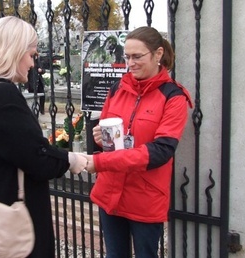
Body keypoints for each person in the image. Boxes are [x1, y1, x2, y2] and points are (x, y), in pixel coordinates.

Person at [0, 16, 88, 258]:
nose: (33, 64)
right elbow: (37, 158)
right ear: (12, 52)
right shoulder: (2, 94)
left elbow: (17, 148)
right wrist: (71, 160)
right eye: (31, 55)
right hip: (16, 213)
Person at [81, 26, 193, 257]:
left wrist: (100, 162)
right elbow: (111, 138)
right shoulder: (118, 89)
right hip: (111, 192)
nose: (130, 63)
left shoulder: (173, 97)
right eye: (127, 56)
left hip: (145, 197)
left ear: (158, 54)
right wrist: (101, 140)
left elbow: (161, 151)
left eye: (137, 56)